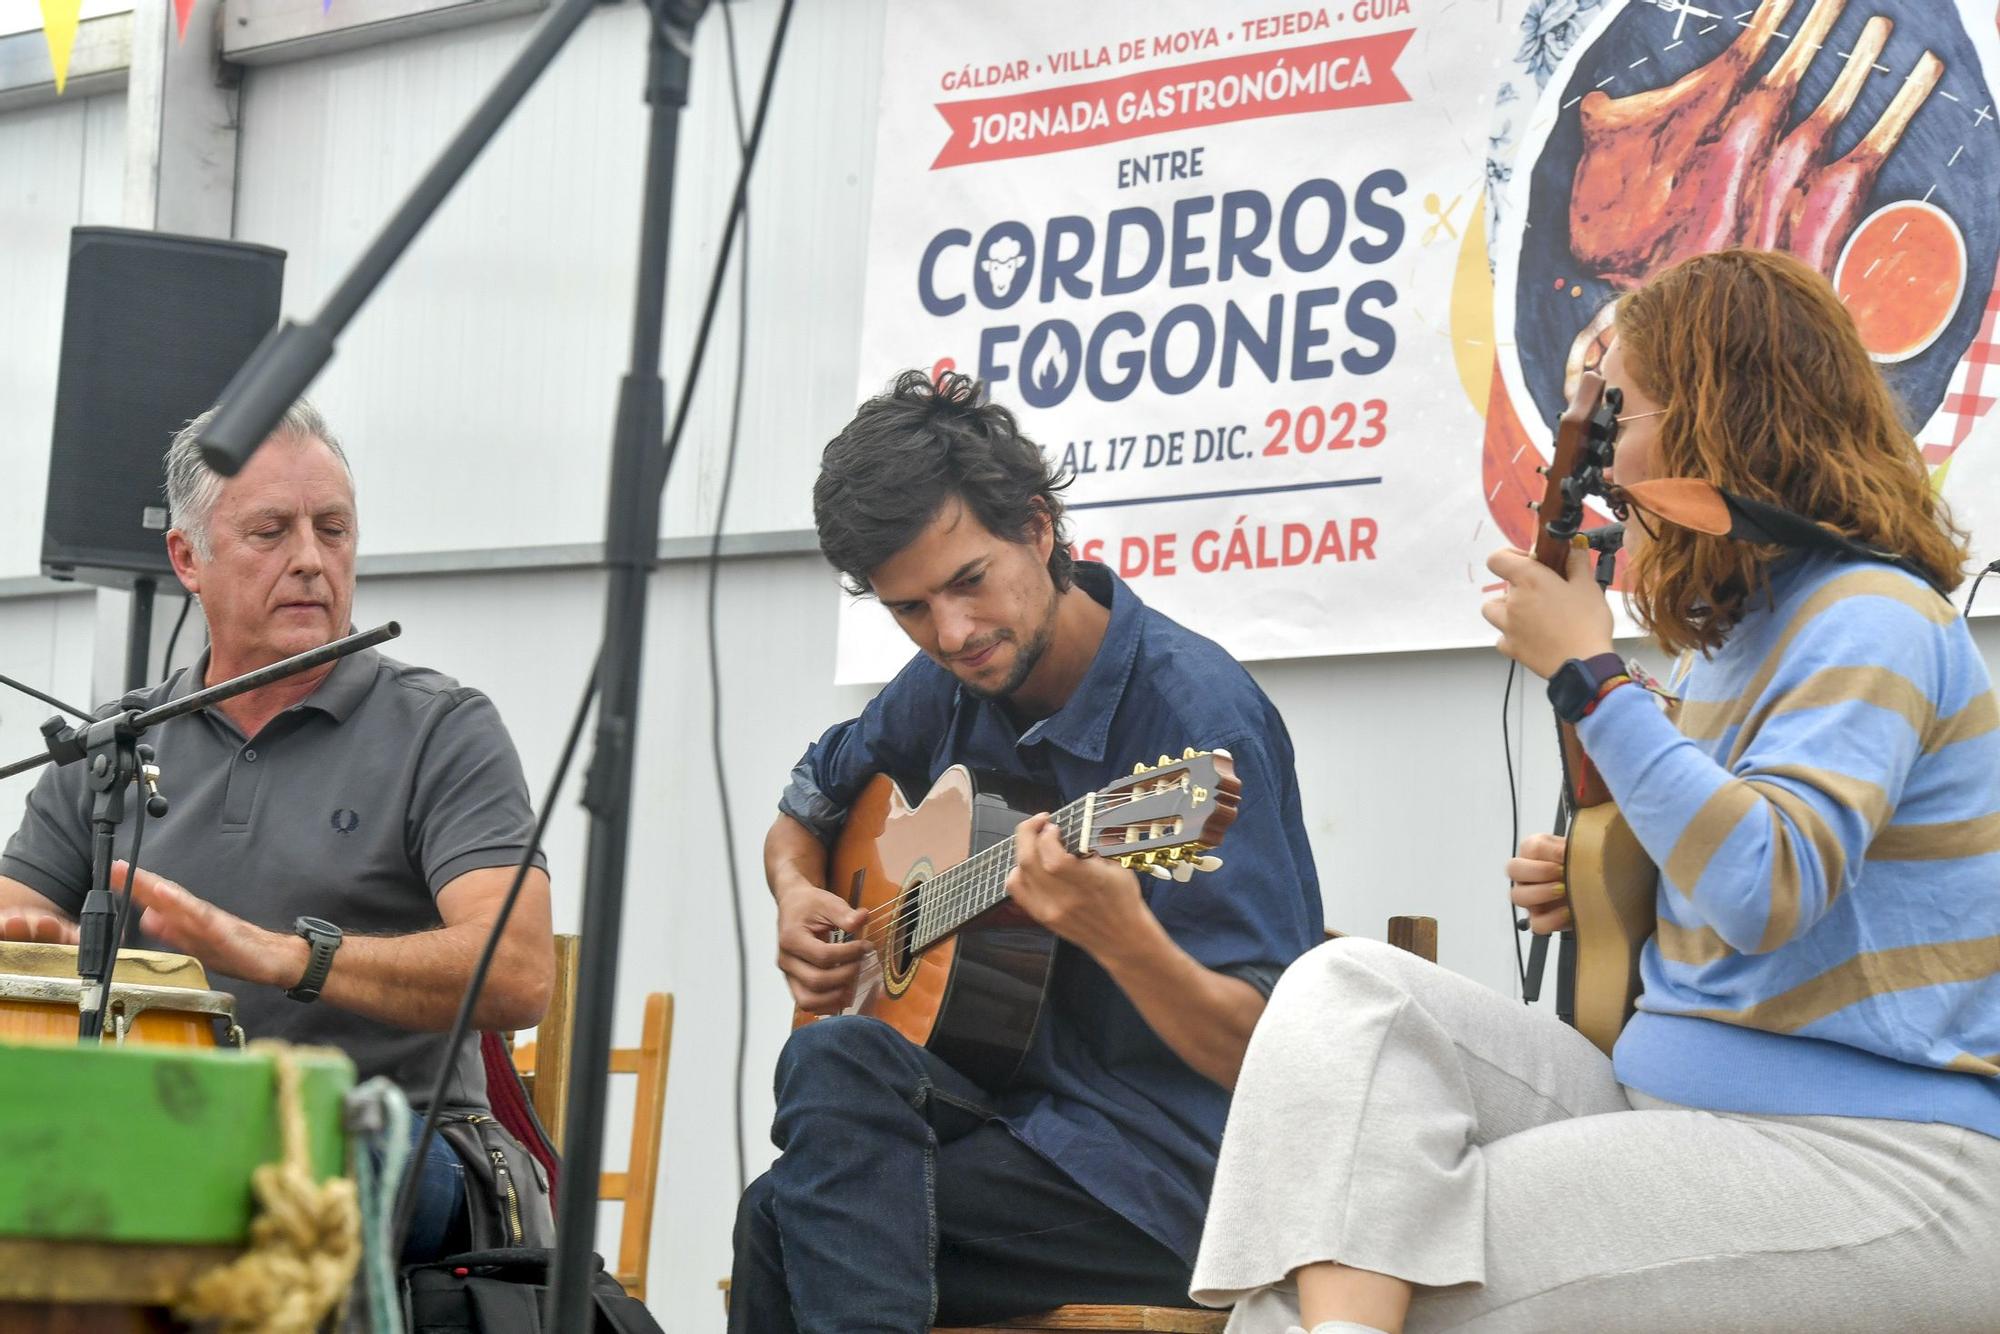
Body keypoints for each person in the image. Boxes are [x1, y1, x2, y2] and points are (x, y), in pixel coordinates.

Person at [1188, 248, 2000, 1333]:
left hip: (1871, 1153)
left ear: (1718, 422)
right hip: (1668, 1099)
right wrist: (1615, 877)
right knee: (1347, 997)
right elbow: (1739, 879)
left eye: (1621, 414)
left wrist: (1589, 675)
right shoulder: (1733, 641)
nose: (1602, 458)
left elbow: (1769, 885)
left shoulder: (1874, 616)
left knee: (1354, 1267)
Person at [730, 370, 1325, 1332]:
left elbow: (1269, 1058)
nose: (952, 633)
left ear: (1039, 530)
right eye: (911, 611)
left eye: (969, 583)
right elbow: (804, 808)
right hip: (1011, 1123)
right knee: (818, 1109)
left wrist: (1125, 936)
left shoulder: (1198, 725)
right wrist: (798, 891)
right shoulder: (943, 689)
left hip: (1167, 1179)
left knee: (791, 1195)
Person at [0, 400, 555, 1261]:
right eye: (271, 532)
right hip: (145, 1123)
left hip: (393, 1136)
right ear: (188, 557)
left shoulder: (441, 729)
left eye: (333, 529)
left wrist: (288, 956)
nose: (310, 559)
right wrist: (27, 940)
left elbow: (518, 972)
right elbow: (11, 915)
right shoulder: (115, 744)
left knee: (232, 1156)